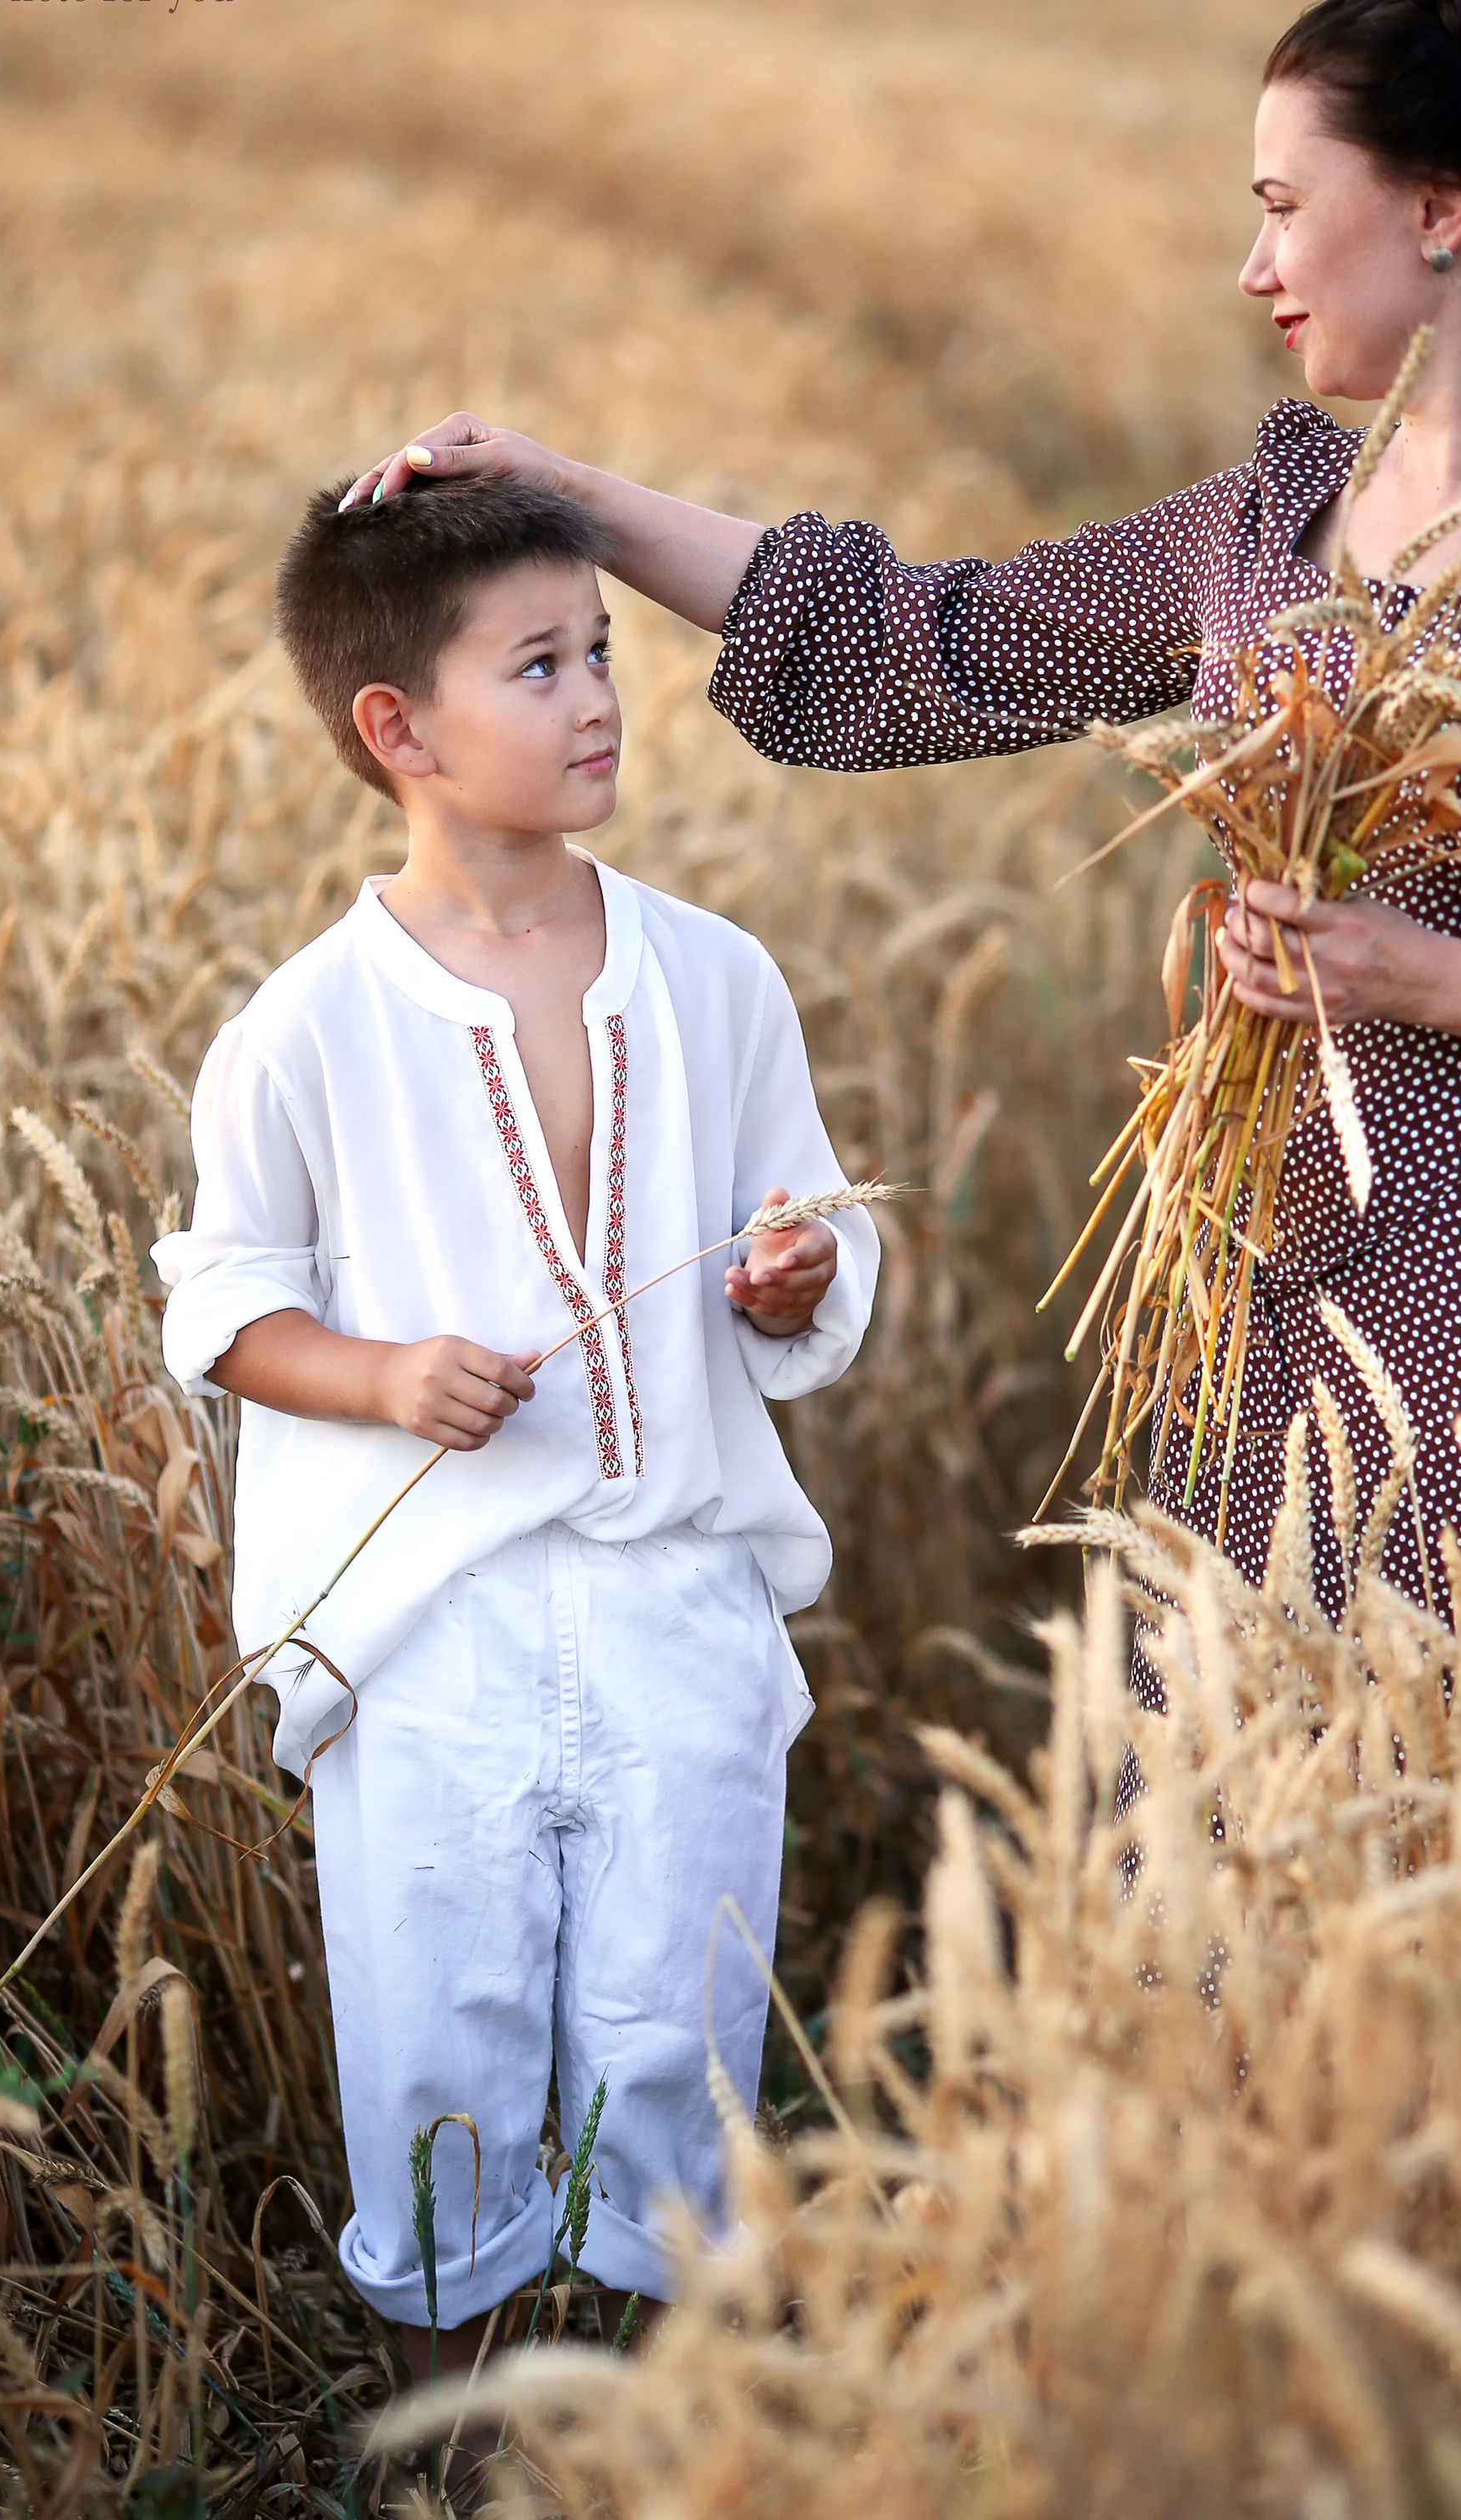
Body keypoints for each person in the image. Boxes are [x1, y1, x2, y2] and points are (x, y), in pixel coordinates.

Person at [341, 0, 1461, 1715]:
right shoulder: (1275, 515)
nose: (1253, 265)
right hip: (1268, 1309)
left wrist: (1416, 972)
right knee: (1236, 1876)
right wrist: (574, 500)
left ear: (1439, 208)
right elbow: (922, 644)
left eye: (1284, 206)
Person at [151, 476, 878, 2384]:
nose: (596, 698)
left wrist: (797, 1277)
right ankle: (447, 2447)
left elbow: (813, 1214)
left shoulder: (711, 975)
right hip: (430, 1633)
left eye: (604, 650)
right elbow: (219, 1296)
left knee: (681, 2035)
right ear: (395, 725)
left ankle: (663, 2433)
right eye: (537, 663)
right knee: (437, 2041)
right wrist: (380, 1376)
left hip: (677, 1599)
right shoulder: (306, 1025)